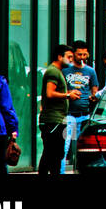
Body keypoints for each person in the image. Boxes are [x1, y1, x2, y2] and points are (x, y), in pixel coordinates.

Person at [38, 45, 80, 174]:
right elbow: (50, 93)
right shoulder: (53, 71)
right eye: (69, 57)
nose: (72, 60)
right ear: (59, 57)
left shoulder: (57, 71)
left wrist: (69, 93)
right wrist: (68, 95)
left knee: (56, 154)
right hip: (53, 120)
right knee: (52, 154)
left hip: (58, 119)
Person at [62, 40, 99, 172]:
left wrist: (93, 95)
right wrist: (68, 93)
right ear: (73, 54)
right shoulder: (65, 70)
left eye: (84, 54)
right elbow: (59, 90)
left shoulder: (90, 71)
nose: (82, 57)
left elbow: (94, 87)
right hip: (69, 115)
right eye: (79, 54)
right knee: (65, 146)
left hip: (85, 116)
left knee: (81, 148)